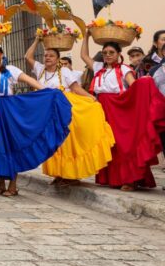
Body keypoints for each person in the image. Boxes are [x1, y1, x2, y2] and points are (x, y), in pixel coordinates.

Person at [0, 37, 70, 197]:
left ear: (1, 55)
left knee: (10, 144)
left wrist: (47, 91)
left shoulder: (9, 69)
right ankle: (0, 185)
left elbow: (30, 80)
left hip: (6, 110)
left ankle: (12, 186)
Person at [81, 34, 165, 191]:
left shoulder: (125, 69)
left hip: (119, 107)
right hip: (103, 108)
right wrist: (86, 36)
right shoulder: (99, 68)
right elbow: (84, 56)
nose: (107, 55)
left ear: (119, 54)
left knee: (123, 144)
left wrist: (145, 83)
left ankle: (130, 180)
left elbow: (134, 87)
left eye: (111, 52)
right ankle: (113, 178)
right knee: (109, 144)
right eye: (105, 53)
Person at [26, 38, 114, 184]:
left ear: (58, 59)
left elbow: (75, 88)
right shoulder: (40, 69)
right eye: (46, 55)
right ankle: (59, 174)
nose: (47, 57)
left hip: (63, 111)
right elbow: (27, 57)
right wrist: (36, 40)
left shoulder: (65, 71)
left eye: (51, 56)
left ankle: (71, 175)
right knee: (54, 143)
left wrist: (91, 98)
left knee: (66, 143)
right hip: (47, 112)